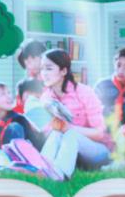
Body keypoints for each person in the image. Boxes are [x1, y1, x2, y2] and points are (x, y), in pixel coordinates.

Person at [39, 49, 110, 178]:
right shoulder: (46, 98)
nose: (44, 73)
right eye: (42, 69)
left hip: (97, 151)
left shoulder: (84, 92)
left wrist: (69, 128)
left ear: (63, 71)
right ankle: (42, 170)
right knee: (55, 133)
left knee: (70, 134)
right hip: (69, 151)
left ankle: (60, 175)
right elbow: (48, 136)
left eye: (48, 68)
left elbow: (99, 134)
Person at [0, 82, 43, 151]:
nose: (9, 97)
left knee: (14, 127)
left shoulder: (20, 119)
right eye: (3, 94)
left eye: (9, 93)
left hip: (17, 155)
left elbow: (35, 143)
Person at [14, 39, 46, 111]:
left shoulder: (52, 81)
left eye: (33, 58)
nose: (29, 62)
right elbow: (19, 109)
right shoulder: (23, 85)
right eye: (26, 59)